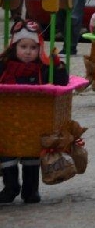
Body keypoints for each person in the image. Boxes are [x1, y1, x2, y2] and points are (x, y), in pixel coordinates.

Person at [0, 20, 69, 204]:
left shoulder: (43, 69)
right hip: (9, 119)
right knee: (8, 153)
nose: (28, 52)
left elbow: (61, 82)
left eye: (33, 47)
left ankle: (31, 190)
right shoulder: (4, 66)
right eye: (23, 46)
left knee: (32, 155)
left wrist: (57, 65)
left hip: (33, 119)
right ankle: (11, 185)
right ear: (15, 47)